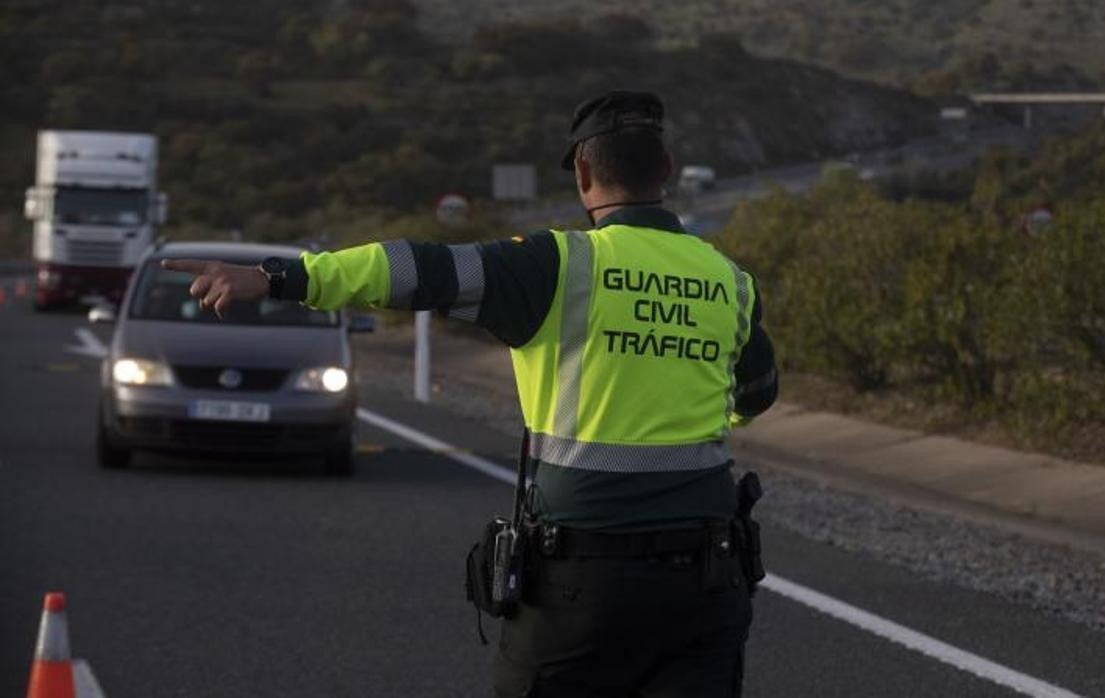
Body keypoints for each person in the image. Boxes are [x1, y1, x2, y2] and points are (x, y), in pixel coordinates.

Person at [164, 89, 779, 697]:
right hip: (705, 584)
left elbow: (413, 271)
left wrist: (280, 276)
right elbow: (756, 394)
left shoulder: (555, 265)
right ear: (666, 169)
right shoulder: (730, 281)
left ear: (584, 172)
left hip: (583, 590)